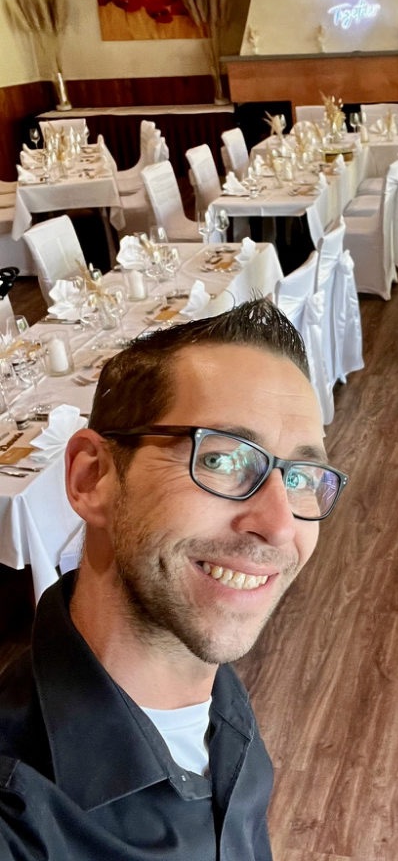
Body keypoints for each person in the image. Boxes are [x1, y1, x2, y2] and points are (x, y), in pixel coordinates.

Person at [0, 300, 348, 860]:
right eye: (222, 460)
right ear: (93, 478)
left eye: (301, 477)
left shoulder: (212, 681)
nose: (282, 526)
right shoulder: (20, 821)